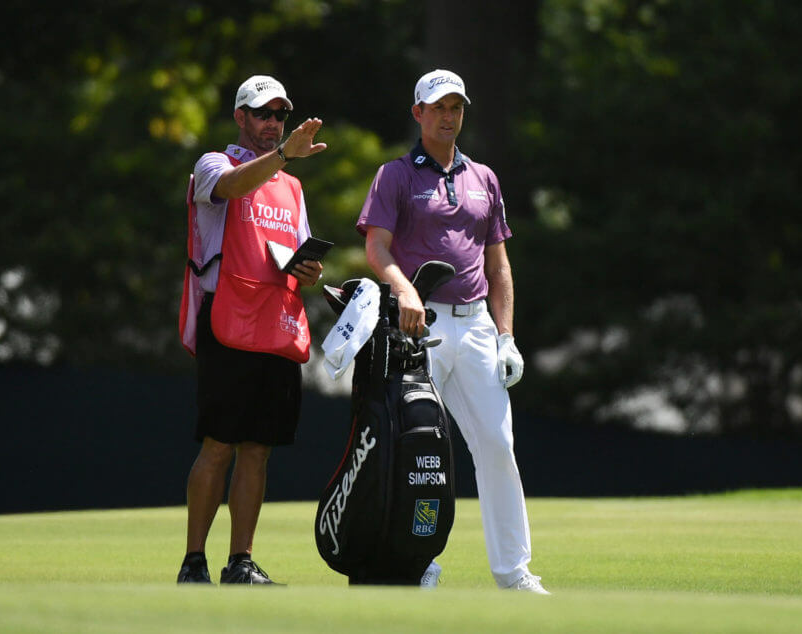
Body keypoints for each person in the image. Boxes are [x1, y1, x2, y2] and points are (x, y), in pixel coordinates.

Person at [356, 69, 549, 594]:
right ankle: (416, 564)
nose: (448, 116)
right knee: (415, 450)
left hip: (479, 325)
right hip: (421, 328)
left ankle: (514, 573)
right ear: (418, 113)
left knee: (496, 444)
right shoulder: (396, 175)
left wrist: (506, 335)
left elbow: (500, 265)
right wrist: (404, 290)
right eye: (438, 107)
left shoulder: (483, 178)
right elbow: (377, 248)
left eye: (456, 107)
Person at [176, 75, 327, 585]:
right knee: (219, 444)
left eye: (280, 115)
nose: (272, 123)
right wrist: (285, 153)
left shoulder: (293, 186)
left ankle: (240, 561)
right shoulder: (215, 164)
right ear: (240, 117)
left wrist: (310, 272)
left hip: (275, 324)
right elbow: (235, 188)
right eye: (263, 114)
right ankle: (193, 562)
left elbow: (296, 250)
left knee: (258, 449)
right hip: (227, 319)